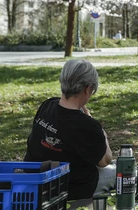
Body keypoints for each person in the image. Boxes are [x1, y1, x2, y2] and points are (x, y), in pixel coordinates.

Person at [24, 59, 114, 200]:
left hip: (34, 182)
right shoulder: (87, 125)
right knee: (127, 171)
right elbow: (105, 160)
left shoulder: (46, 106)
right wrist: (99, 129)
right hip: (71, 189)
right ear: (88, 88)